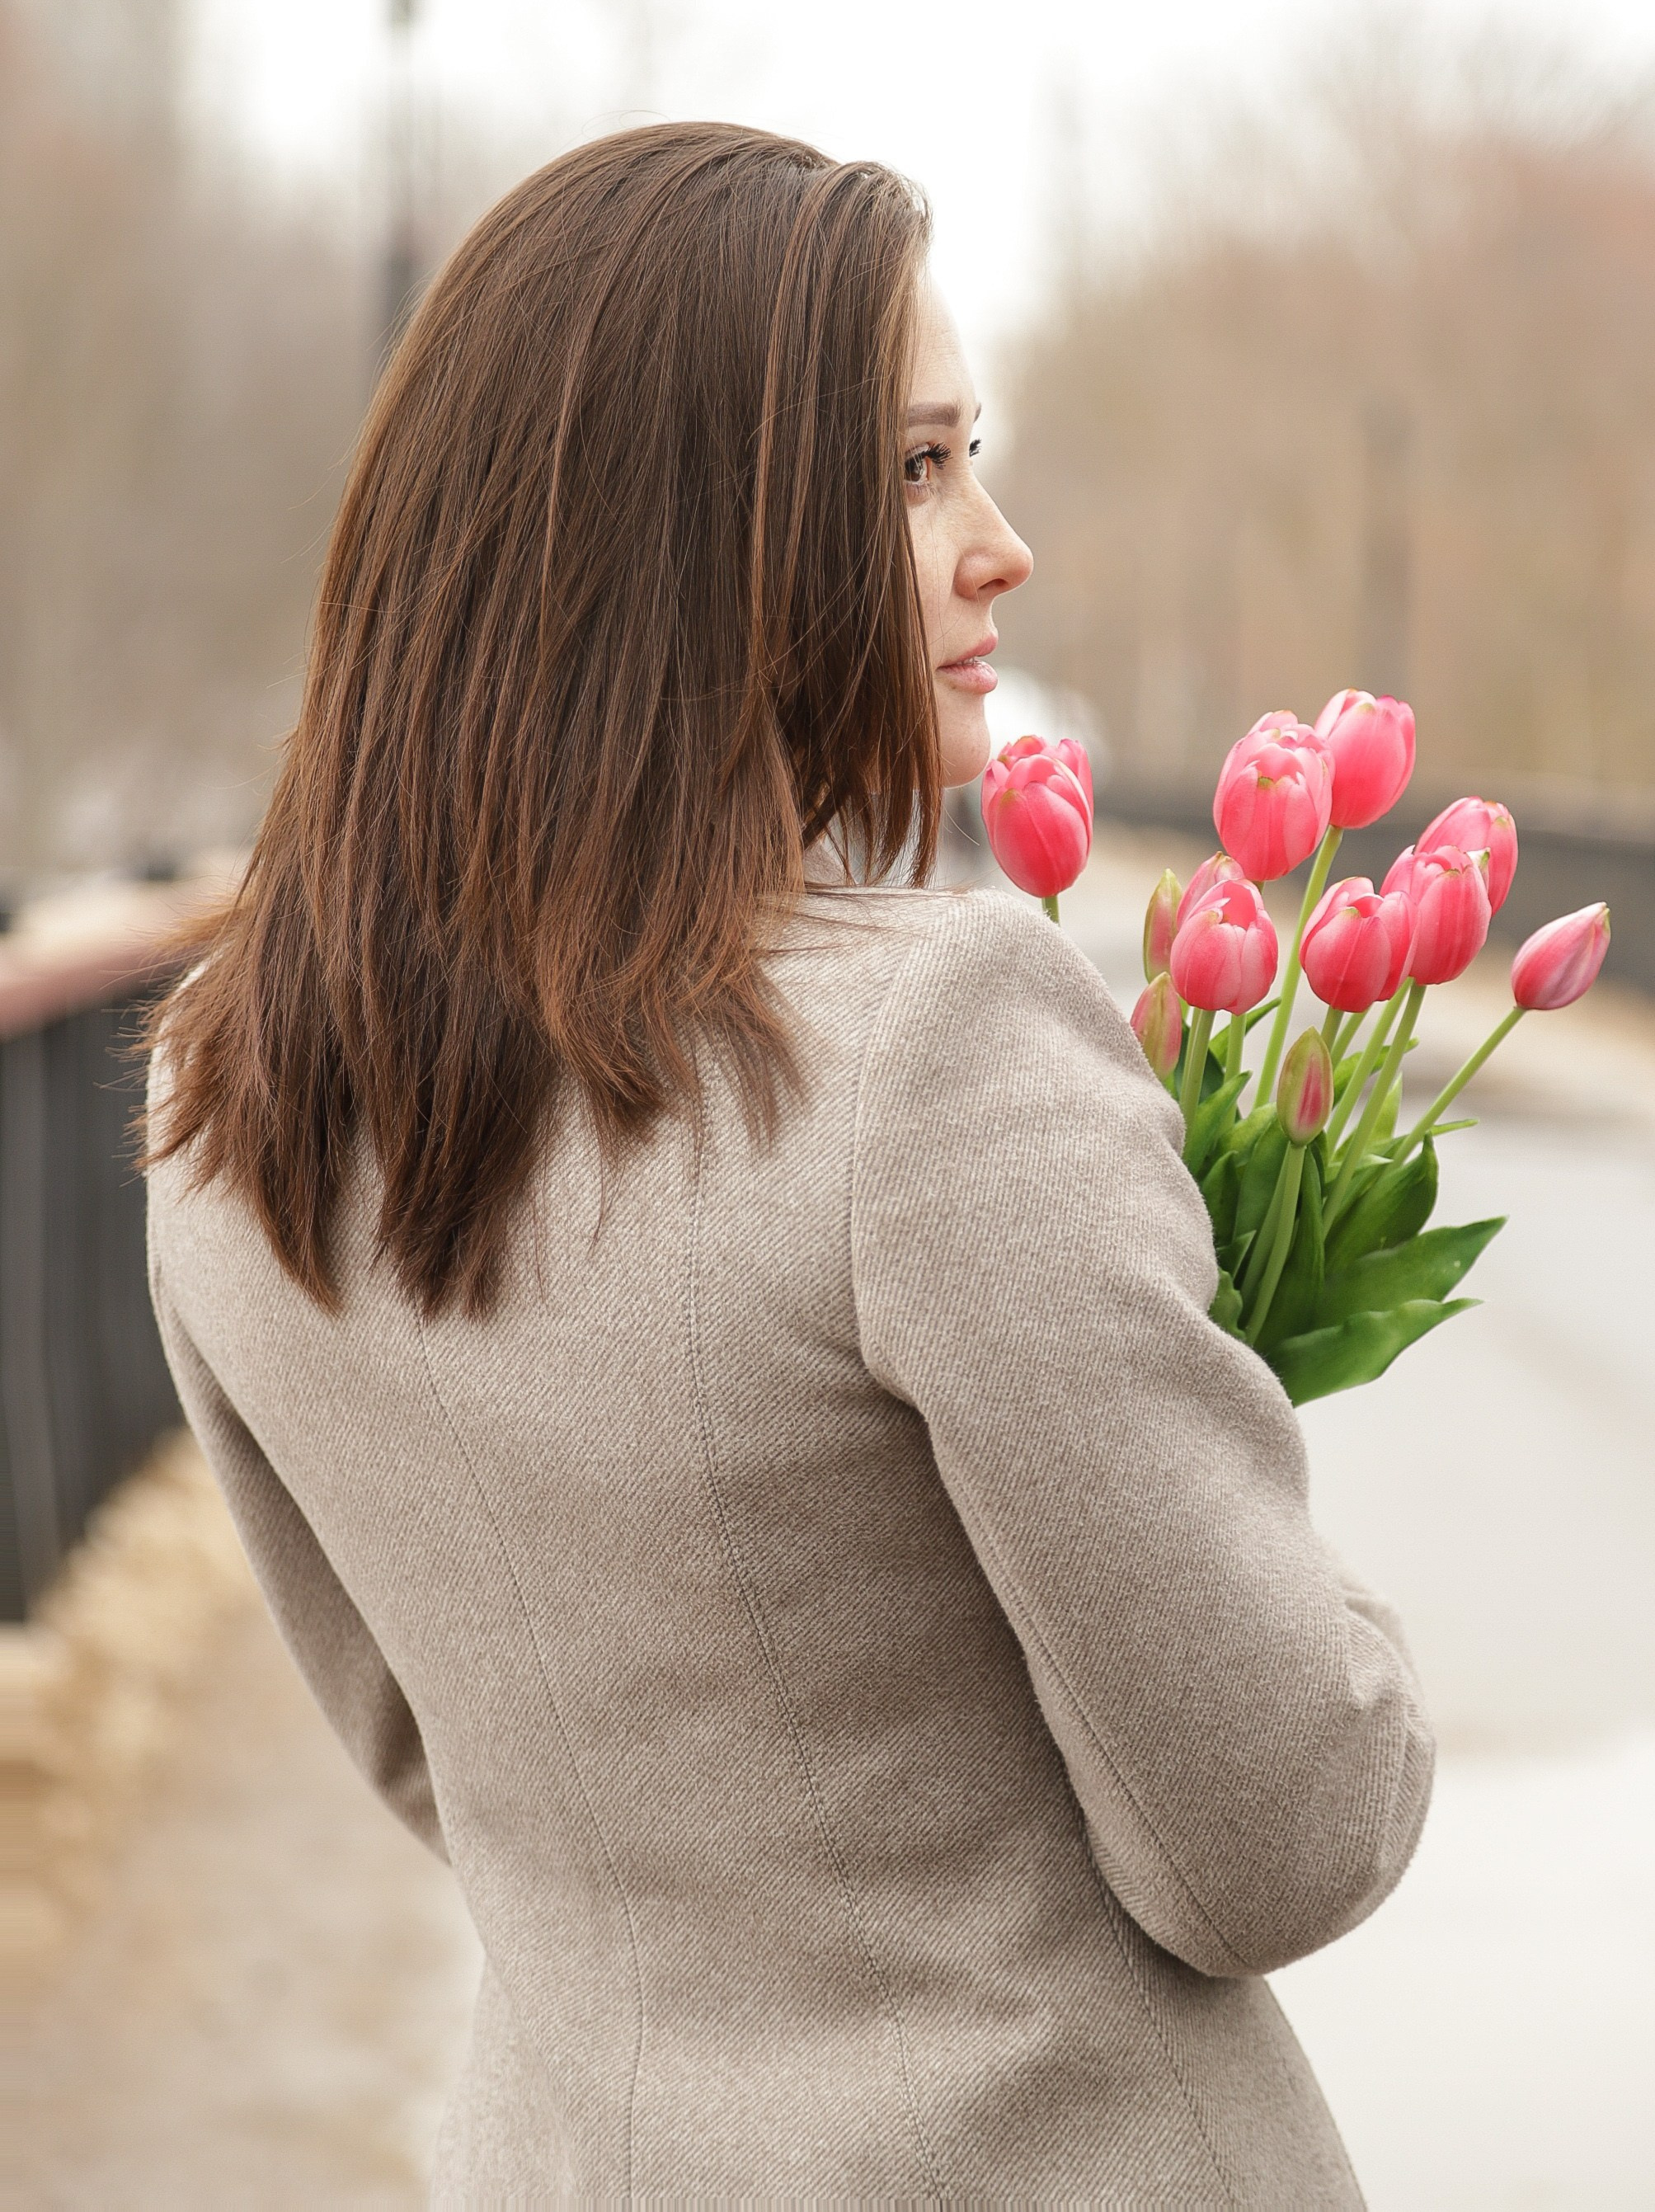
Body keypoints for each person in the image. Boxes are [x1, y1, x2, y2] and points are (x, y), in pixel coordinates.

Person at [145, 122, 1432, 2203]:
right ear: (689, 536)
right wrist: (1265, 1512)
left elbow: (443, 1769)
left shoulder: (223, 1108)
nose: (996, 541)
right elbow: (1274, 1830)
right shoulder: (934, 1053)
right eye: (919, 468)